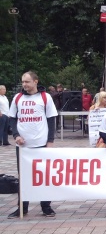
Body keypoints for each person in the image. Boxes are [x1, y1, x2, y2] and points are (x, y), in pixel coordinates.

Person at [7, 71, 58, 218]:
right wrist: (16, 135)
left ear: (36, 81)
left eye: (27, 81)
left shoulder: (45, 97)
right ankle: (22, 207)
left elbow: (51, 119)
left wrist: (50, 141)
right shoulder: (17, 98)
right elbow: (12, 119)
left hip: (41, 143)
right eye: (23, 81)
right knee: (23, 176)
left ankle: (46, 206)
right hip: (23, 146)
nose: (24, 84)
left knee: (44, 176)